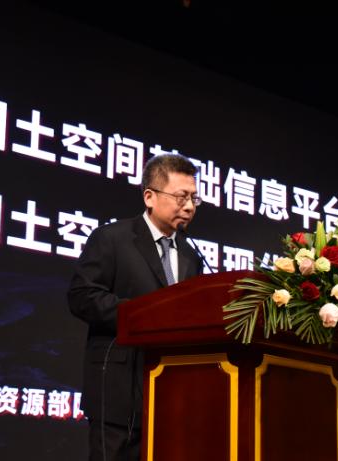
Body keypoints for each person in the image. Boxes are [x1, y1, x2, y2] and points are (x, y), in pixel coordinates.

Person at [68, 153, 203, 461]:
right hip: (119, 391)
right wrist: (143, 316)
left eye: (194, 199)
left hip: (171, 395)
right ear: (149, 197)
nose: (189, 206)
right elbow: (82, 296)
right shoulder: (112, 239)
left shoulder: (191, 255)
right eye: (181, 197)